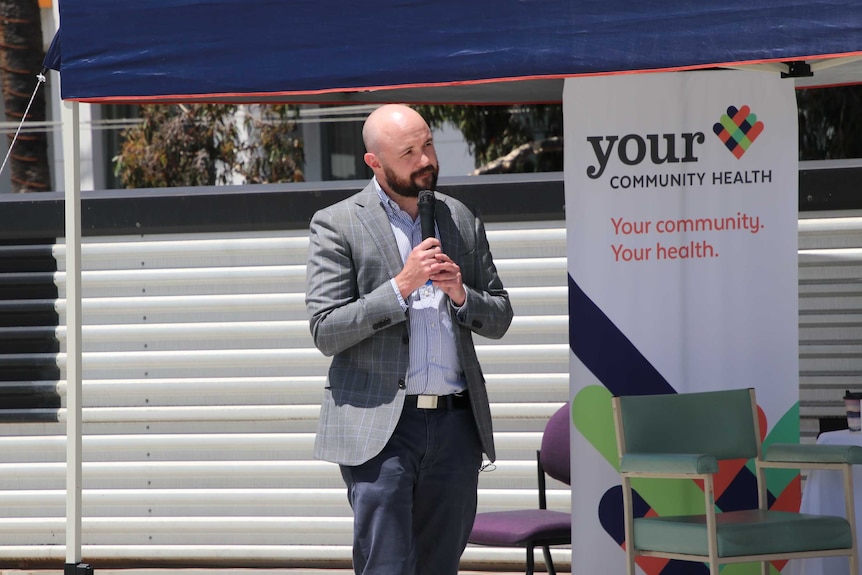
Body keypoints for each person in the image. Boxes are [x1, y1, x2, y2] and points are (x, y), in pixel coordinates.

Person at [305, 104, 513, 575]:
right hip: (381, 429)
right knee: (388, 566)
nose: (425, 161)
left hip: (455, 427)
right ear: (374, 162)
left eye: (428, 146)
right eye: (409, 152)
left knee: (441, 567)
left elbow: (500, 315)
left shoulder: (459, 217)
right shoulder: (338, 224)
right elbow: (326, 329)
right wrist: (401, 286)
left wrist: (462, 295)